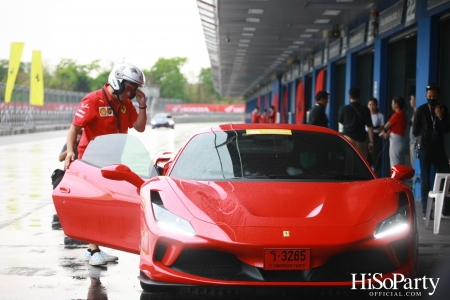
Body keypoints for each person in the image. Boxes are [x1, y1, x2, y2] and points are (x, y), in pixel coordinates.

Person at [64, 62, 147, 266]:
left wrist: (142, 105)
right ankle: (93, 251)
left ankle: (96, 247)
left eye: (134, 89)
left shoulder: (126, 104)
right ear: (117, 82)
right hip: (90, 160)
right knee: (96, 203)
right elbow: (74, 128)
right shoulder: (93, 100)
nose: (131, 92)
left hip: (112, 161)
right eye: (129, 87)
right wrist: (70, 152)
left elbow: (140, 127)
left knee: (107, 203)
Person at [413, 83, 450, 219]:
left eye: (434, 96)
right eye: (429, 96)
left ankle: (446, 208)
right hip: (425, 149)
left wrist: (440, 117)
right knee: (425, 179)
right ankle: (426, 211)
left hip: (439, 149)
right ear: (425, 96)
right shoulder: (421, 110)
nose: (431, 99)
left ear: (439, 96)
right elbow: (415, 131)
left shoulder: (443, 109)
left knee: (446, 175)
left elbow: (446, 129)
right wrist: (418, 147)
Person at [338, 87, 374, 159]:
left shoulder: (343, 109)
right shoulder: (365, 109)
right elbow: (370, 126)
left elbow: (340, 123)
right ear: (360, 97)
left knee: (348, 161)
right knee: (362, 162)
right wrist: (371, 141)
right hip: (361, 140)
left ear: (349, 97)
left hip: (348, 139)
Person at [381, 96, 407, 168]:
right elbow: (396, 127)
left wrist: (384, 133)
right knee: (400, 164)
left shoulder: (397, 115)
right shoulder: (404, 115)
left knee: (394, 165)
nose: (391, 105)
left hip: (395, 142)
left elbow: (386, 126)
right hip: (402, 141)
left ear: (396, 104)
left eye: (393, 103)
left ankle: (394, 179)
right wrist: (388, 133)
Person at [367, 98, 384, 177]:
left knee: (376, 159)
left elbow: (381, 129)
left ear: (376, 106)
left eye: (373, 105)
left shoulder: (380, 116)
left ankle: (377, 177)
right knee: (367, 159)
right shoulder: (366, 115)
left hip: (376, 138)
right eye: (370, 105)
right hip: (366, 137)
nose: (371, 107)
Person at [409, 87, 416, 167]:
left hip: (414, 143)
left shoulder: (418, 112)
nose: (410, 101)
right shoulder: (414, 112)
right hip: (411, 142)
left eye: (411, 98)